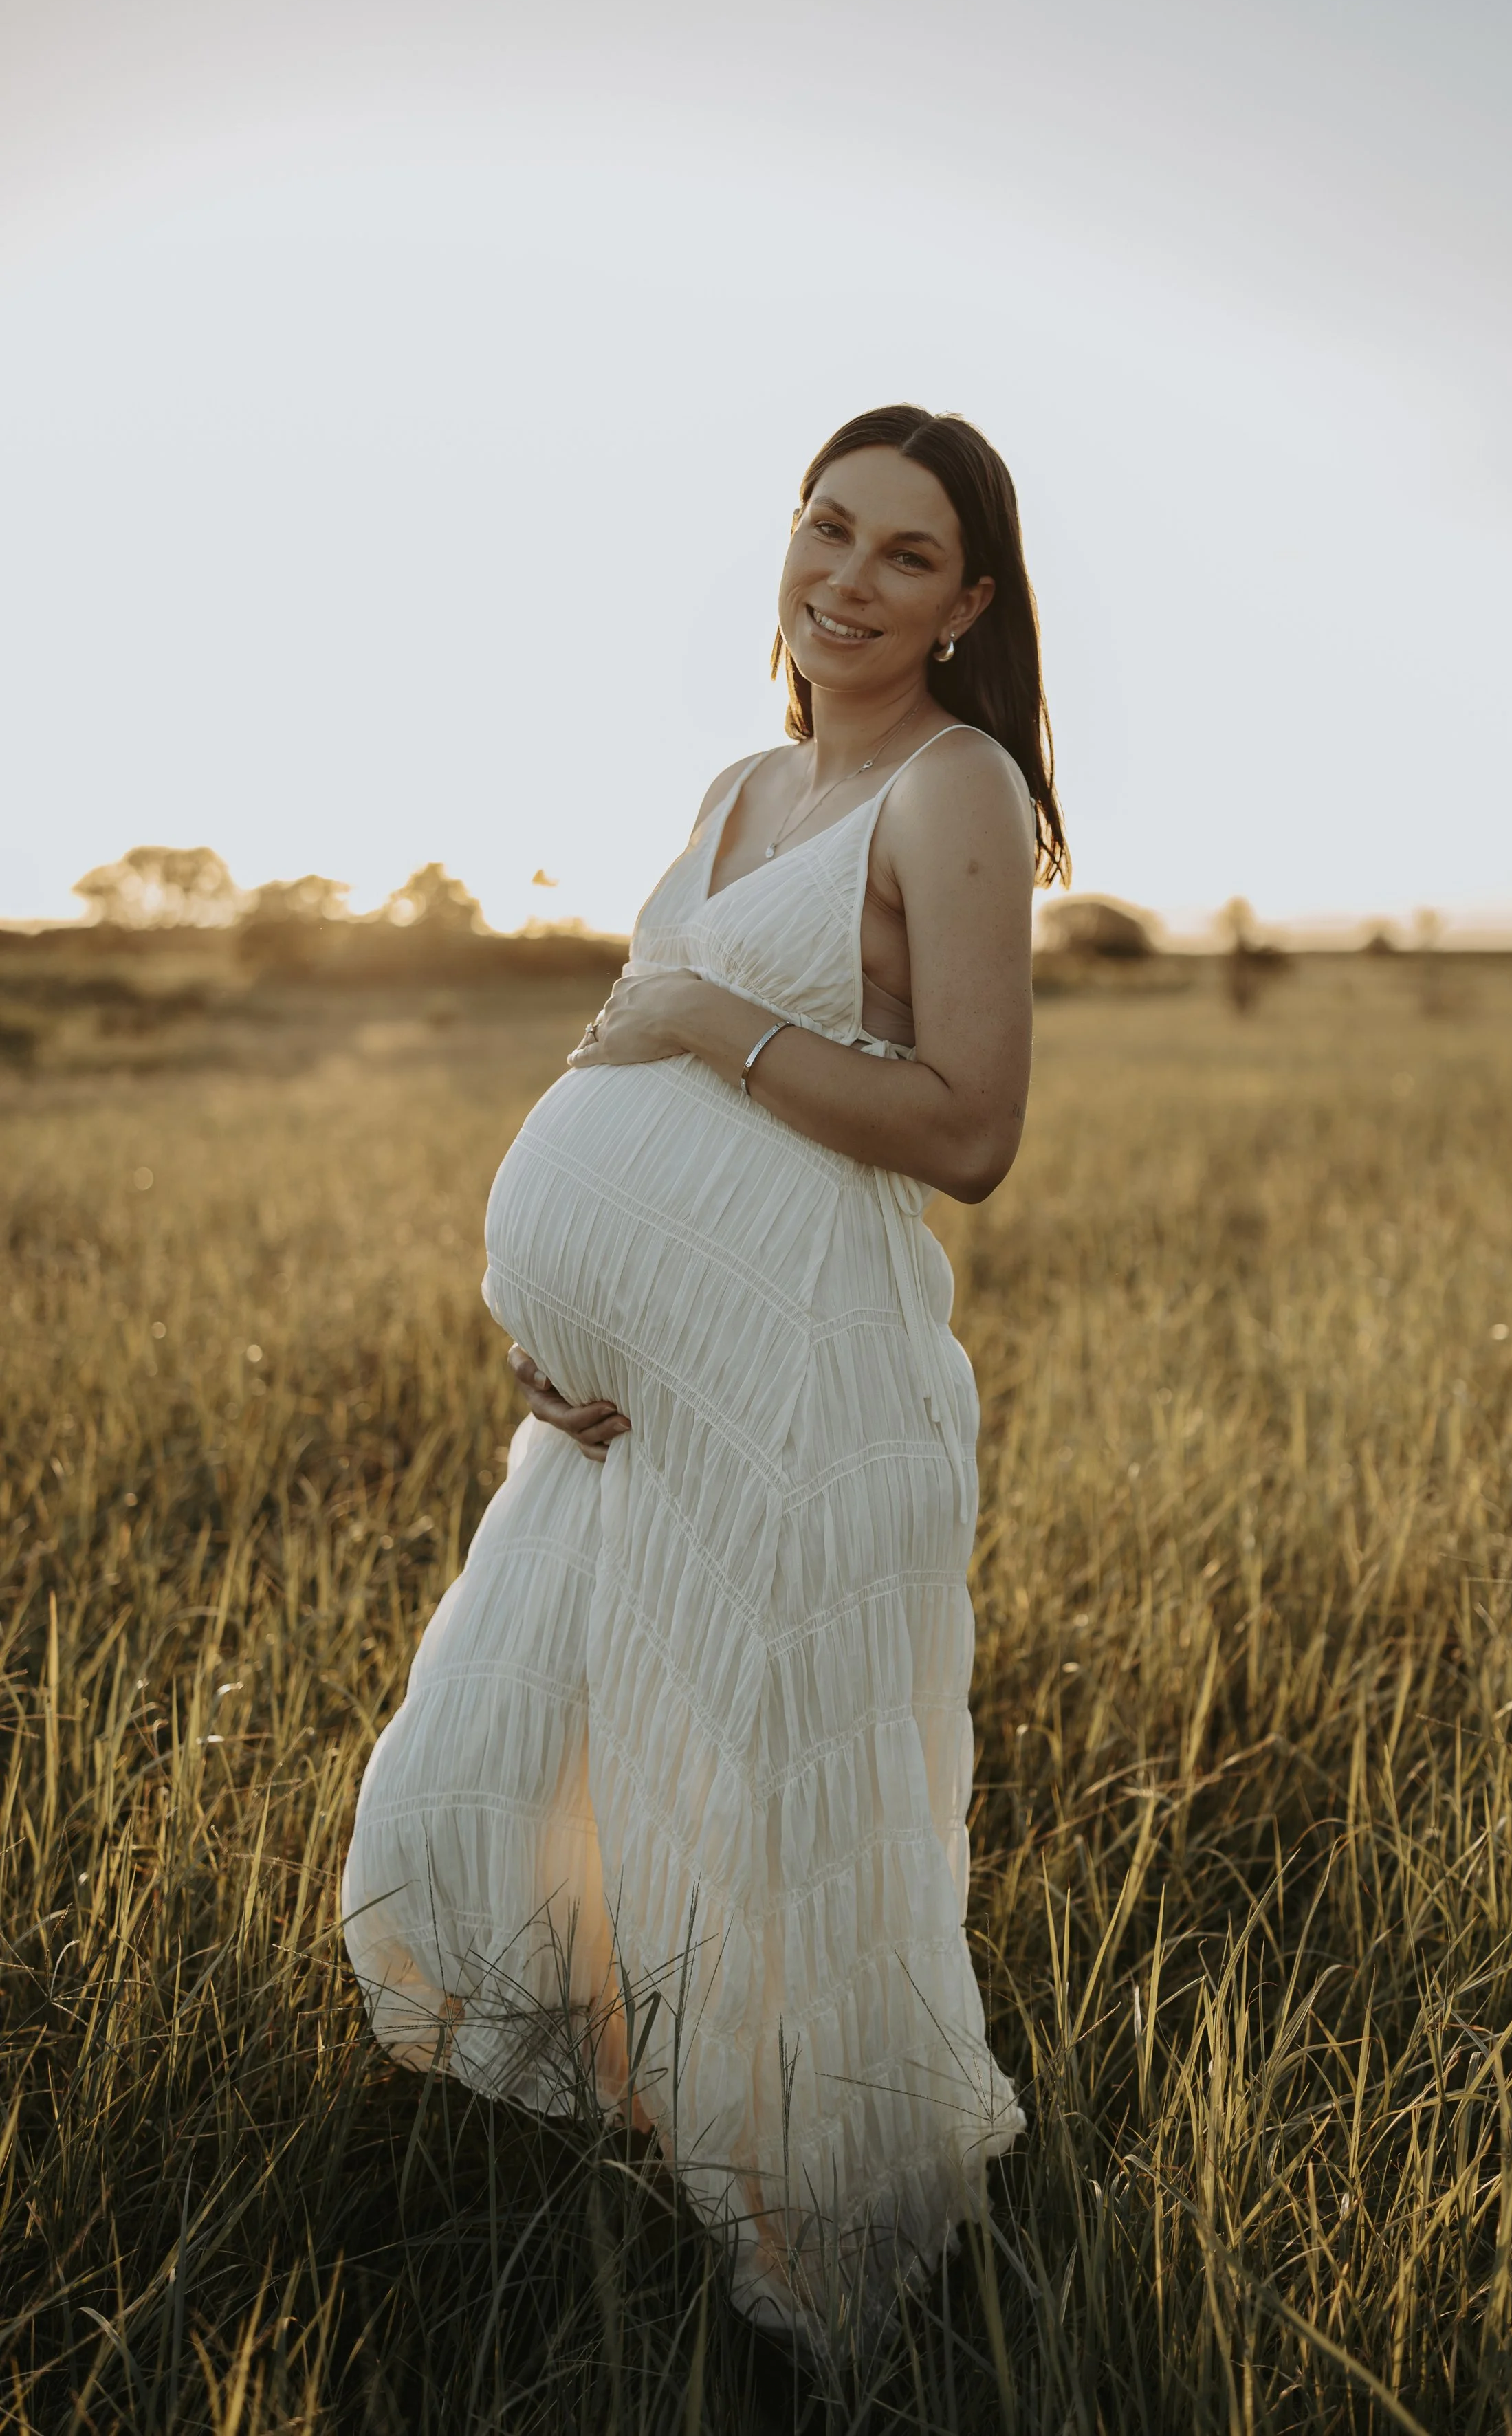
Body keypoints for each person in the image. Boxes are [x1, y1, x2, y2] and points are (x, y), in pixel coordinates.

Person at [341, 404, 1069, 2354]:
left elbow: (970, 1127)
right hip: (620, 1426)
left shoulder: (958, 786)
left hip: (801, 1386)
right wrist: (557, 1324)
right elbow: (624, 1062)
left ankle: (826, 2278)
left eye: (905, 555)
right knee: (548, 1780)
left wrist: (705, 1015)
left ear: (967, 602)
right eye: (828, 528)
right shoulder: (744, 780)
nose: (848, 579)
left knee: (761, 1809)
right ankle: (620, 2186)